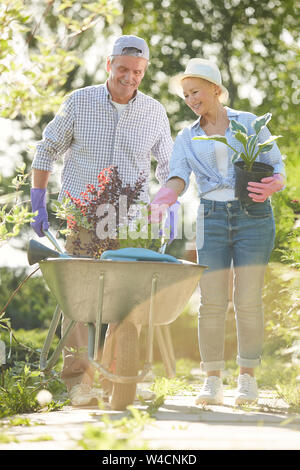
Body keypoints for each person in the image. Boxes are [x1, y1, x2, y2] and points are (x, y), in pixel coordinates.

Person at [30, 35, 173, 405]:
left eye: (137, 71)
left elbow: (169, 165)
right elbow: (47, 148)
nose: (129, 77)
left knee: (128, 302)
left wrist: (168, 203)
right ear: (109, 65)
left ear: (144, 71)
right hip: (83, 214)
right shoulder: (79, 101)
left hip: (132, 220)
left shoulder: (155, 112)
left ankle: (120, 376)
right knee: (79, 299)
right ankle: (79, 381)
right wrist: (38, 200)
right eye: (123, 68)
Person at [150, 58, 285, 405]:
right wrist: (166, 195)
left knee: (248, 299)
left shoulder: (250, 123)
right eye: (185, 95)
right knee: (211, 301)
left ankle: (247, 379)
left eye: (195, 92)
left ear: (215, 88)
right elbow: (178, 174)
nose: (190, 99)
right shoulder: (187, 135)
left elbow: (277, 167)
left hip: (254, 216)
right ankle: (212, 379)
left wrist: (274, 184)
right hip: (211, 217)